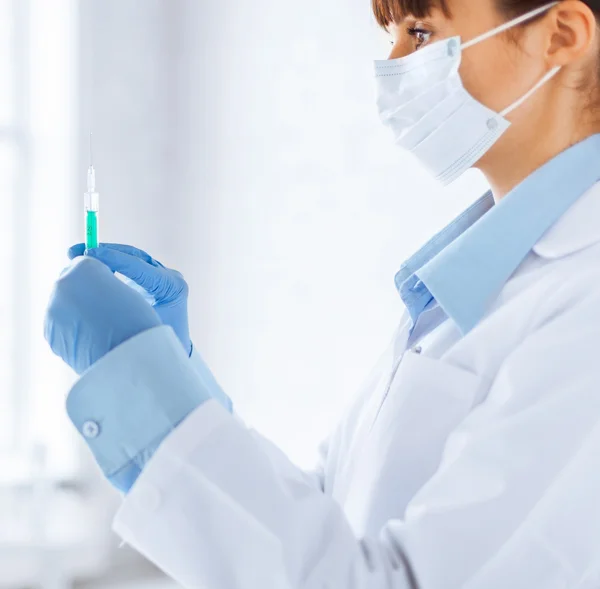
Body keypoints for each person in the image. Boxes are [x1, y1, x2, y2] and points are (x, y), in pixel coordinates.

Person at [44, 0, 600, 587]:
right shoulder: (467, 294)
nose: (391, 64)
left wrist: (146, 396)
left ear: (561, 35)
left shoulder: (584, 304)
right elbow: (326, 524)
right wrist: (180, 387)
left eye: (420, 32)